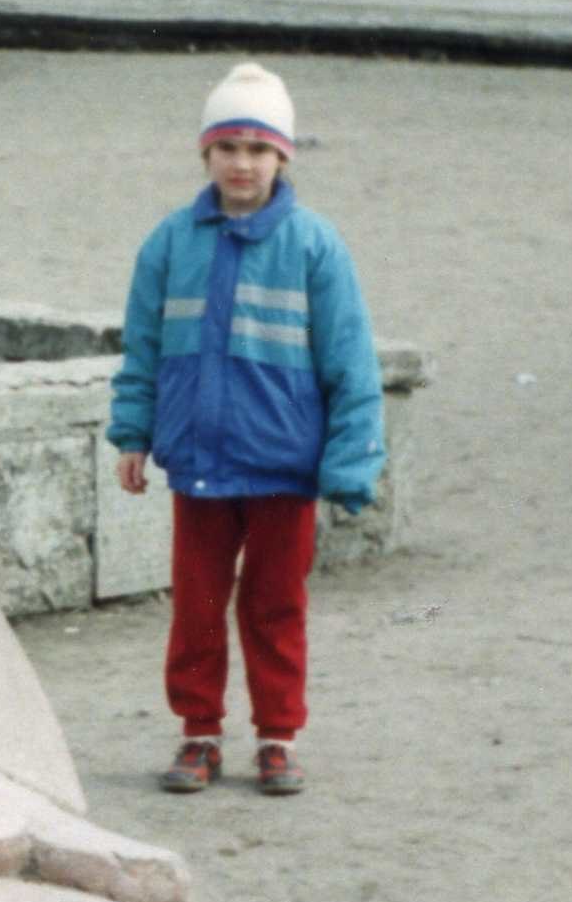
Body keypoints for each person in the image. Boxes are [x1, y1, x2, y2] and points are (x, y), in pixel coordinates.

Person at [108, 63, 383, 797]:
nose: (241, 163)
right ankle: (198, 732)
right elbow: (140, 349)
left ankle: (275, 735)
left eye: (257, 149)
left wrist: (349, 461)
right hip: (198, 461)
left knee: (274, 604)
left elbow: (350, 362)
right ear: (205, 154)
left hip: (282, 464)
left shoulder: (314, 246)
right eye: (226, 146)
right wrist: (131, 433)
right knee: (195, 603)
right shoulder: (168, 244)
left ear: (282, 158)